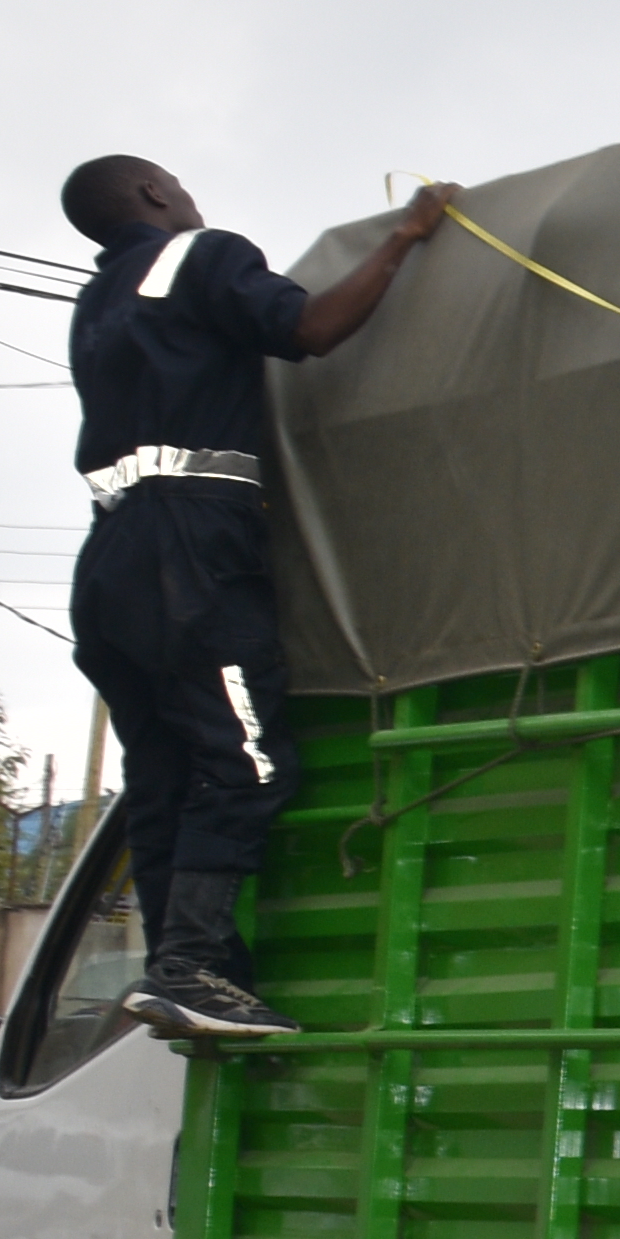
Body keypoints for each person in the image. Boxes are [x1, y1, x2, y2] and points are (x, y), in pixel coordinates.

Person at [58, 155, 454, 1039]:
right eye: (177, 183)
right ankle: (194, 969)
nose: (190, 196)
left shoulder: (98, 305)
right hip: (191, 550)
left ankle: (187, 972)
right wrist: (407, 236)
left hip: (109, 560)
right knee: (248, 761)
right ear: (155, 195)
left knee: (163, 777)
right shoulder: (199, 256)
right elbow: (311, 328)